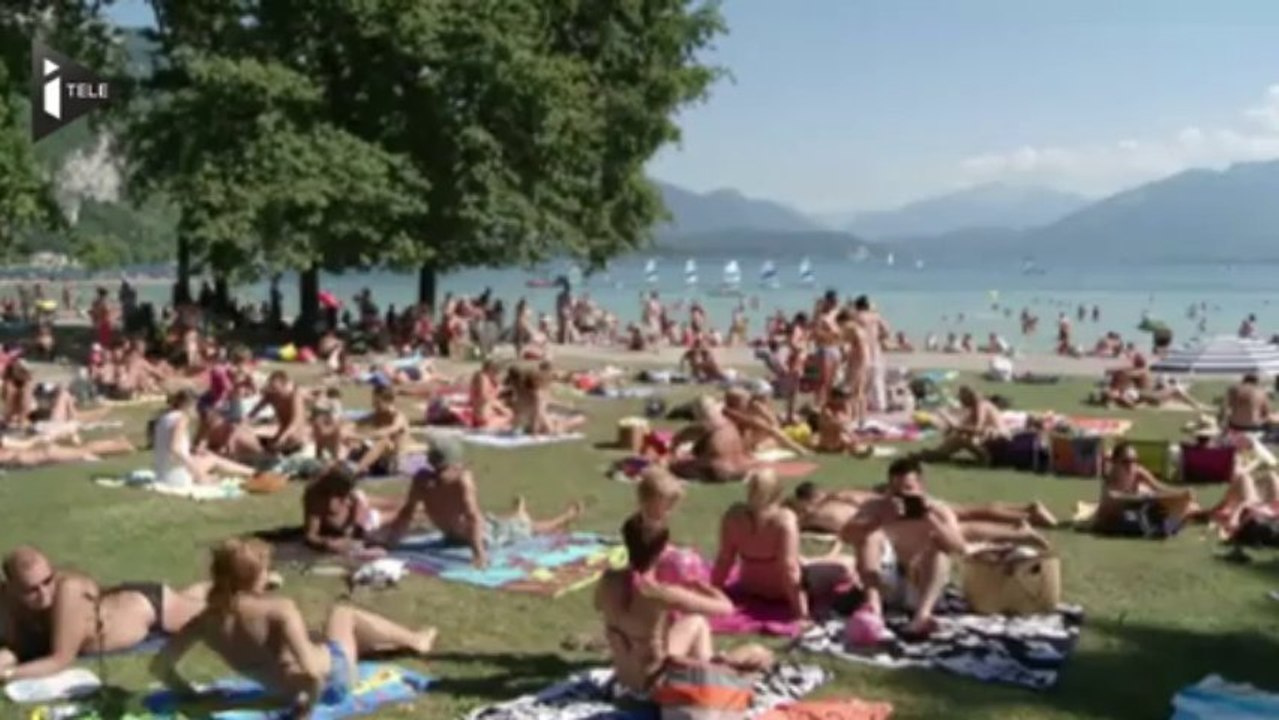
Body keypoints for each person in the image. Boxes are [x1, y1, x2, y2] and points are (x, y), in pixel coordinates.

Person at [150, 538, 436, 718]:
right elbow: (312, 672)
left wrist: (193, 695)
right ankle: (416, 639)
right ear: (255, 576)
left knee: (327, 635)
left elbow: (159, 667)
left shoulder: (206, 621)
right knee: (343, 613)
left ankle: (391, 642)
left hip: (279, 690)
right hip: (332, 680)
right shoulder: (279, 609)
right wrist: (305, 710)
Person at [595, 515, 774, 695]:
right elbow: (725, 608)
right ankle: (710, 678)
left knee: (695, 622)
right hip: (652, 692)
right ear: (662, 550)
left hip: (624, 683)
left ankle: (708, 669)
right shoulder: (658, 592)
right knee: (758, 653)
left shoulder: (609, 579)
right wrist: (699, 586)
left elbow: (598, 604)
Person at [0, 547, 208, 682]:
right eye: (31, 590)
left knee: (216, 610)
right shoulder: (6, 599)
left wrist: (10, 674)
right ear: (11, 587)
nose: (44, 595)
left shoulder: (68, 592)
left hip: (148, 610)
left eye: (47, 581)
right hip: (121, 600)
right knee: (192, 599)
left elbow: (60, 659)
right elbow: (19, 647)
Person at [377, 436, 582, 568]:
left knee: (509, 523)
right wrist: (479, 554)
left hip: (457, 535)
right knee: (528, 527)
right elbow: (472, 516)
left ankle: (529, 514)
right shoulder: (460, 480)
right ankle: (563, 516)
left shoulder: (422, 479)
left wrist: (392, 542)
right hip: (480, 536)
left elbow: (407, 512)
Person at [839, 458, 966, 636]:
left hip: (921, 583)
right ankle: (873, 606)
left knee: (939, 550)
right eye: (896, 491)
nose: (902, 497)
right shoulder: (877, 507)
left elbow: (958, 548)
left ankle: (922, 614)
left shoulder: (938, 510)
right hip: (886, 582)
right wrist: (876, 521)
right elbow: (846, 536)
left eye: (908, 490)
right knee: (870, 538)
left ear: (921, 487)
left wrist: (929, 518)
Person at [711, 470, 853, 621]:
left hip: (749, 584)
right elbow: (789, 568)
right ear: (778, 491)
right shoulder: (784, 520)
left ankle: (815, 562)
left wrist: (713, 590)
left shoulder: (733, 516)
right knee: (847, 564)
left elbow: (724, 559)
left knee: (808, 562)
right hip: (780, 589)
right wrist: (801, 613)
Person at [791, 481, 1053, 549]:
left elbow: (800, 520)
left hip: (895, 512)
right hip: (901, 503)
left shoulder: (819, 511)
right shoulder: (843, 493)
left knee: (957, 529)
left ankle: (1018, 530)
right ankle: (1022, 514)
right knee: (964, 513)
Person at [155, 390, 254, 487]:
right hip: (176, 477)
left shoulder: (164, 417)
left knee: (207, 456)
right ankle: (254, 472)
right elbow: (175, 449)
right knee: (213, 459)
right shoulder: (182, 418)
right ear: (188, 404)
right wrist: (198, 474)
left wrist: (193, 451)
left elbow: (168, 446)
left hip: (162, 474)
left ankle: (252, 472)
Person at [1094, 442, 1196, 535]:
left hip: (1135, 510)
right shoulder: (1110, 483)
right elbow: (1121, 498)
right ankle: (1173, 523)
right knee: (1144, 508)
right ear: (1115, 462)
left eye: (1135, 461)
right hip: (1111, 522)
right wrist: (1149, 497)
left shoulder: (1138, 472)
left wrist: (1181, 494)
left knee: (1184, 504)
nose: (1131, 466)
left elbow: (1159, 487)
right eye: (1126, 462)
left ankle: (1199, 514)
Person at [669, 395, 752, 483]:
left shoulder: (704, 425)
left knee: (674, 467)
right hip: (740, 470)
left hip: (719, 471)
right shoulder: (730, 424)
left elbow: (678, 439)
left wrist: (673, 452)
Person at [921, 386, 1005, 464]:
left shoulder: (981, 405)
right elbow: (962, 427)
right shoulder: (975, 408)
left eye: (961, 398)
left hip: (997, 442)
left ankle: (938, 454)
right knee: (959, 436)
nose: (961, 402)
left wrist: (953, 424)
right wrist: (954, 428)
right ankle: (938, 454)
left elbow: (977, 429)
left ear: (968, 397)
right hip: (994, 443)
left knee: (961, 438)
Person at [346, 386, 408, 476]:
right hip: (379, 461)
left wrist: (359, 436)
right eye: (373, 402)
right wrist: (344, 431)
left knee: (383, 441)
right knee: (354, 442)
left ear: (388, 402)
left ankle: (355, 472)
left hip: (394, 462)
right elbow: (355, 424)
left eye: (377, 403)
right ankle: (338, 465)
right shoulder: (376, 415)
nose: (373, 405)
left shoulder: (399, 417)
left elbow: (387, 431)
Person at [249, 371, 309, 455]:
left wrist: (283, 437)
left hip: (294, 439)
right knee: (251, 442)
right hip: (280, 435)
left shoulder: (294, 396)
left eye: (276, 388)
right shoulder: (271, 395)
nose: (274, 391)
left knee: (287, 441)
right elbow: (253, 412)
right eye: (272, 387)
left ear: (285, 386)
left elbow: (295, 422)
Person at [852, 295, 890, 413]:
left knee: (861, 378)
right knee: (877, 377)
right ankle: (880, 404)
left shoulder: (857, 317)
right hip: (875, 347)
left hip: (862, 348)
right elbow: (887, 330)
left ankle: (862, 404)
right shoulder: (875, 316)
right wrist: (879, 337)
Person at [469, 359, 512, 430]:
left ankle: (495, 424)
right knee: (510, 415)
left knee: (510, 413)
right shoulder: (482, 377)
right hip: (483, 415)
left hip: (487, 413)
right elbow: (485, 397)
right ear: (490, 369)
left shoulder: (490, 380)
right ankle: (490, 426)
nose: (498, 374)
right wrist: (498, 390)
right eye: (496, 372)